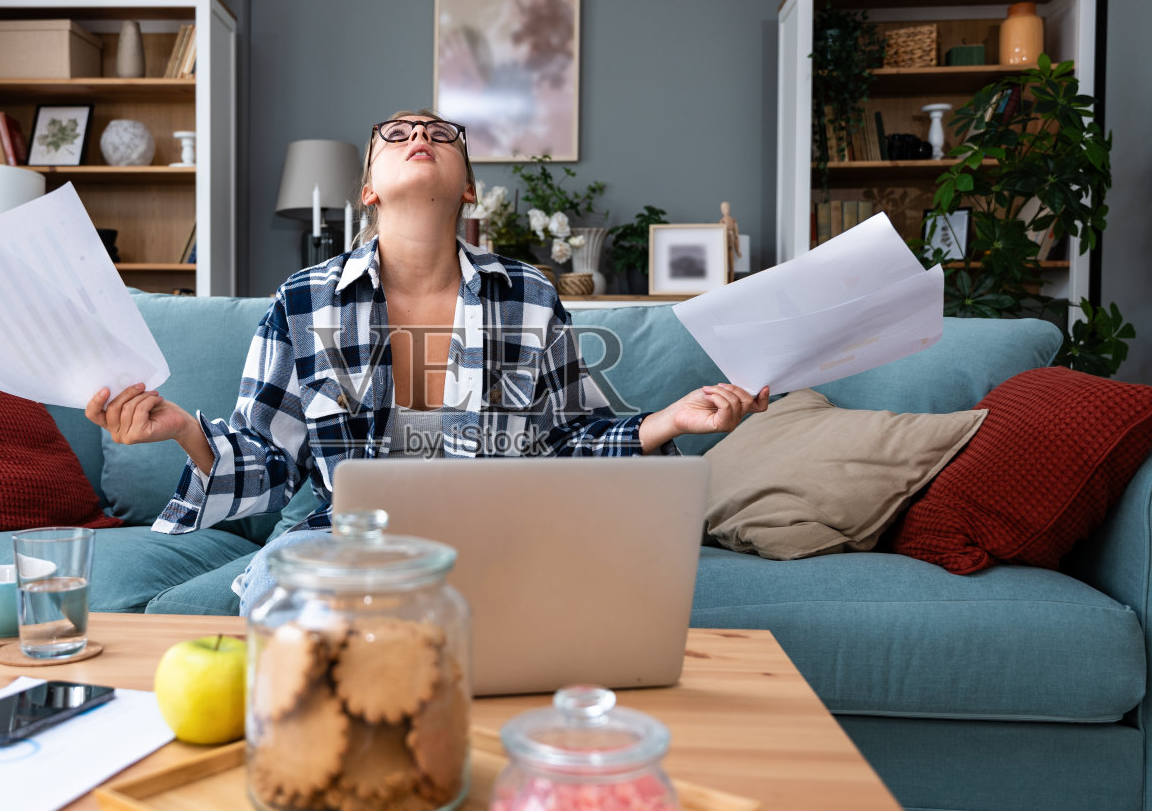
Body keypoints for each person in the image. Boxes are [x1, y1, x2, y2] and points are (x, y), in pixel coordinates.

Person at [86, 111, 768, 614]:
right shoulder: (303, 300)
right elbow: (268, 461)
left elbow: (570, 442)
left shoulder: (527, 294)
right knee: (285, 603)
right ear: (369, 189)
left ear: (468, 187)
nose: (421, 139)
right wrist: (183, 429)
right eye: (398, 134)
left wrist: (667, 421)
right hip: (340, 543)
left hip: (501, 536)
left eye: (443, 136)